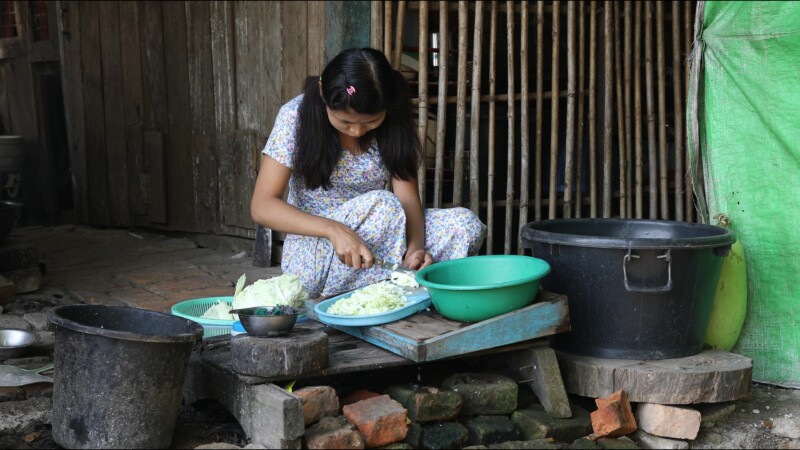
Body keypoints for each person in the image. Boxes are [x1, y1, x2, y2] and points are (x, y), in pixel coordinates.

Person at [251, 47, 486, 298]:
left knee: (464, 225)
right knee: (384, 204)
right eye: (345, 122)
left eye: (370, 122)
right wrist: (333, 229)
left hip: (382, 235)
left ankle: (396, 281)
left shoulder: (394, 120)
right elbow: (262, 206)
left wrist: (415, 249)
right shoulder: (295, 117)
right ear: (323, 94)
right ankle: (380, 290)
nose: (356, 132)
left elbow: (406, 199)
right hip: (317, 252)